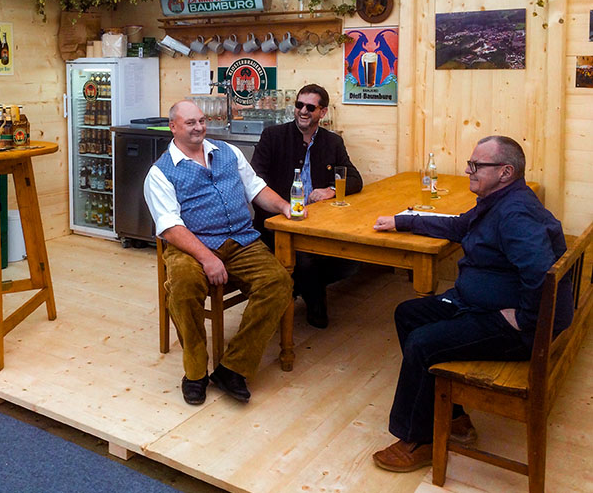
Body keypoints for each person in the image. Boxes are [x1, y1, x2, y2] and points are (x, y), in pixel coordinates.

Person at [370, 135, 572, 472]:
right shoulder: (498, 201)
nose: (468, 169)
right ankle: (454, 416)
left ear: (505, 171)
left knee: (422, 342)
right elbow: (459, 225)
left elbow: (541, 274)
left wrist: (525, 318)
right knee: (408, 314)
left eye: (477, 165)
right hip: (478, 302)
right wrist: (404, 220)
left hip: (517, 327)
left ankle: (419, 439)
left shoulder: (515, 213)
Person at [144, 100, 294, 406]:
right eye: (190, 123)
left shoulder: (228, 152)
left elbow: (255, 188)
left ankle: (232, 368)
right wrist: (207, 257)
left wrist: (284, 206)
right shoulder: (160, 173)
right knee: (184, 287)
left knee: (279, 282)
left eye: (202, 120)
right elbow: (171, 227)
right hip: (189, 244)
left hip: (240, 239)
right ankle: (196, 372)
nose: (199, 127)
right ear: (173, 127)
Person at [251, 84, 362, 328]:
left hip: (319, 222)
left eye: (310, 107)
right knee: (306, 259)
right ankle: (315, 304)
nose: (303, 111)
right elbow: (254, 181)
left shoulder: (332, 142)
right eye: (299, 105)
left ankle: (298, 287)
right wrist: (280, 205)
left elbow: (355, 179)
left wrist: (330, 191)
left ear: (322, 113)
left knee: (352, 259)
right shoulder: (273, 136)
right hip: (277, 223)